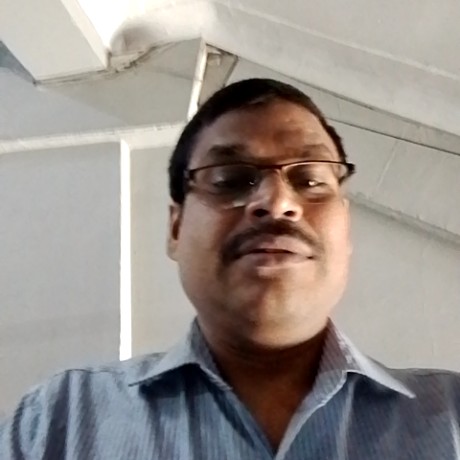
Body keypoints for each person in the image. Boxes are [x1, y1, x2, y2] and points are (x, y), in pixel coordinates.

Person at [1, 78, 460, 459]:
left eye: (309, 179)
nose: (277, 202)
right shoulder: (60, 425)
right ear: (176, 228)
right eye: (230, 180)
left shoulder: (452, 420)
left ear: (346, 229)